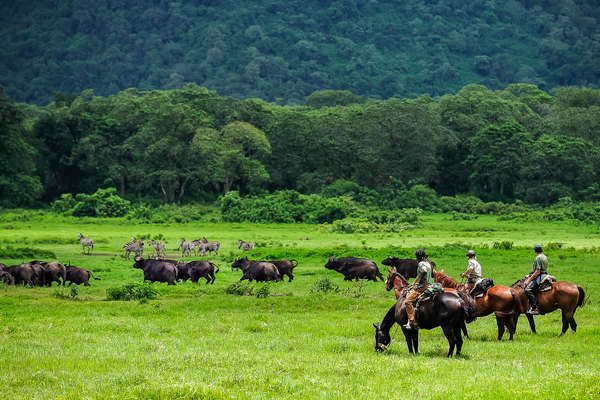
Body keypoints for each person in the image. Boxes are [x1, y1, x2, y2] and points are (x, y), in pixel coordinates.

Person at [403, 249, 433, 330]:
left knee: (407, 301)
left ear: (417, 257)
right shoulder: (428, 263)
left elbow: (424, 271)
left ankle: (412, 321)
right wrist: (414, 283)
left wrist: (419, 282)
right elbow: (419, 275)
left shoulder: (421, 264)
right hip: (429, 284)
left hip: (422, 287)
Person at [524, 243, 548, 315]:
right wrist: (530, 274)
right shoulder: (544, 256)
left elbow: (537, 271)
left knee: (528, 290)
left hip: (540, 276)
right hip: (545, 274)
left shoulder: (538, 258)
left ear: (535, 250)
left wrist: (528, 280)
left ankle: (535, 308)